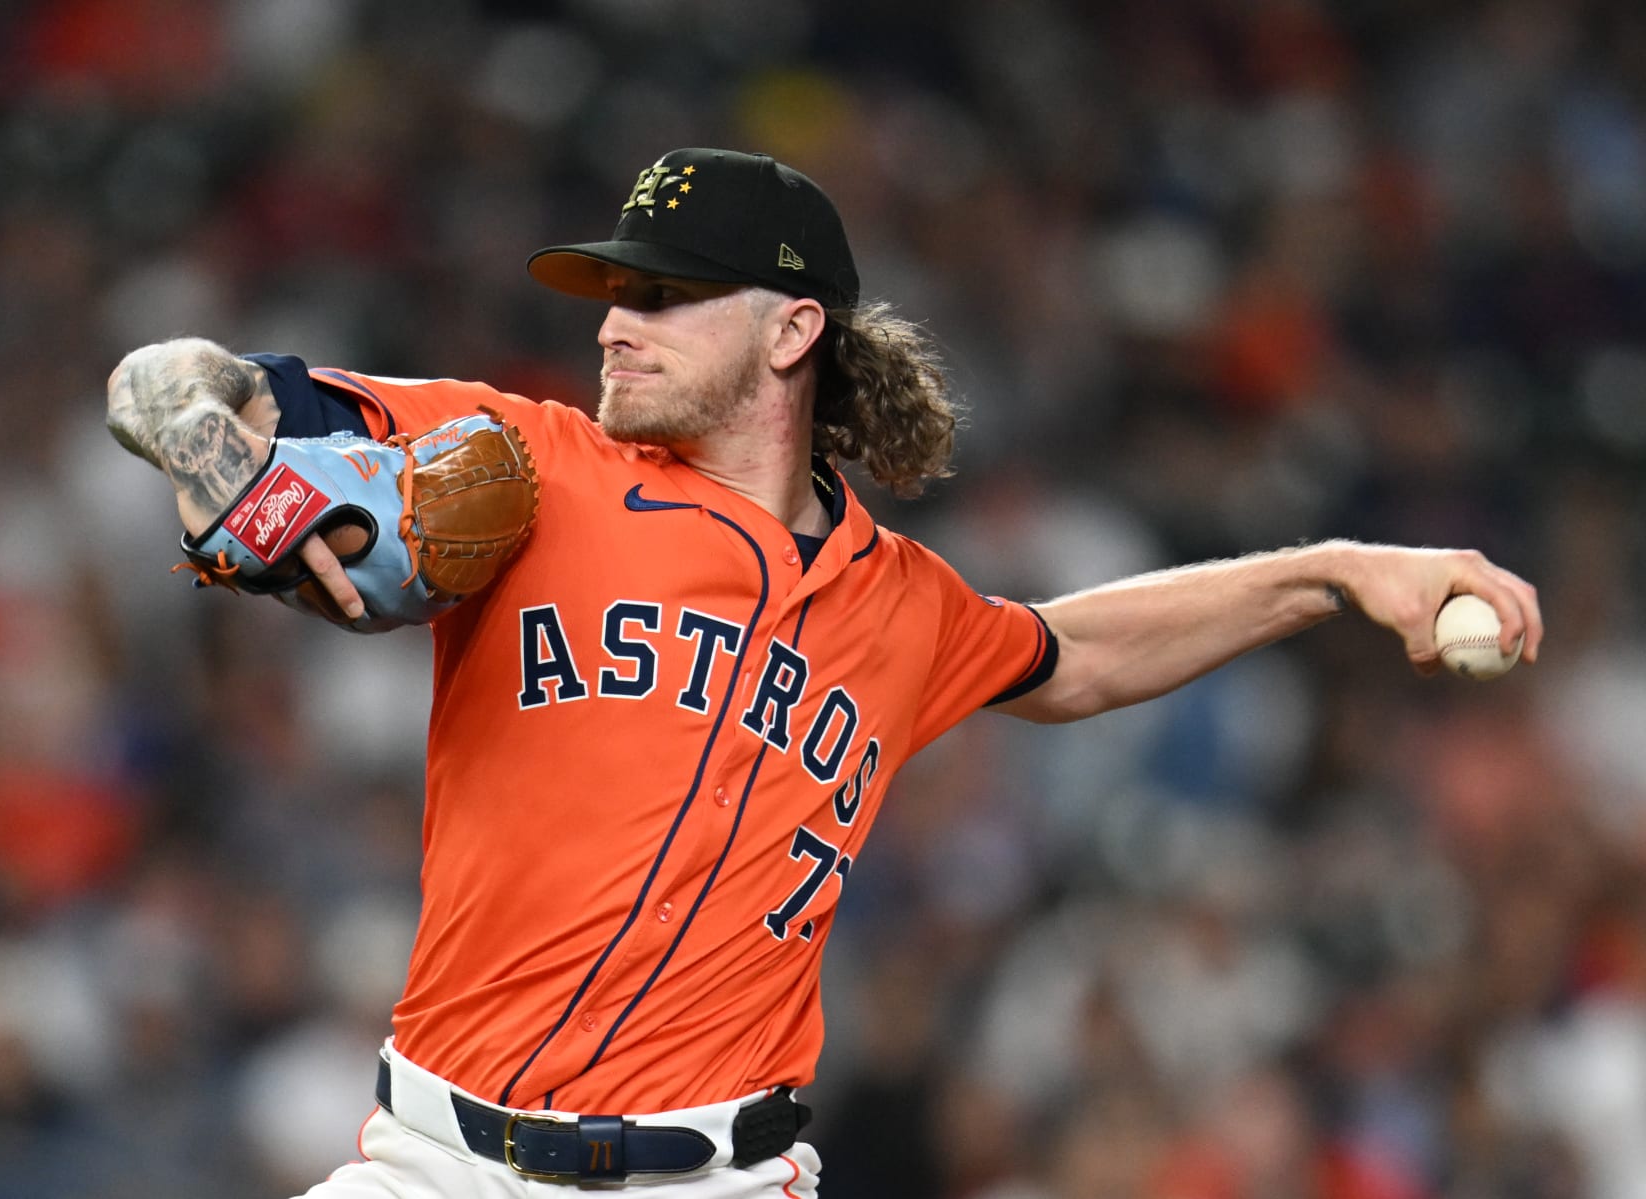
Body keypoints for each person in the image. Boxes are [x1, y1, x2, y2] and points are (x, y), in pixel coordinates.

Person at [104, 147, 1543, 1197]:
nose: (615, 319)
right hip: (439, 1160)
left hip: (720, 1182)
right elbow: (184, 383)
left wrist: (1334, 569)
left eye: (665, 295)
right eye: (614, 291)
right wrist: (219, 455)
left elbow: (1079, 654)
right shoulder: (531, 462)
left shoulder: (901, 606)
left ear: (792, 327)